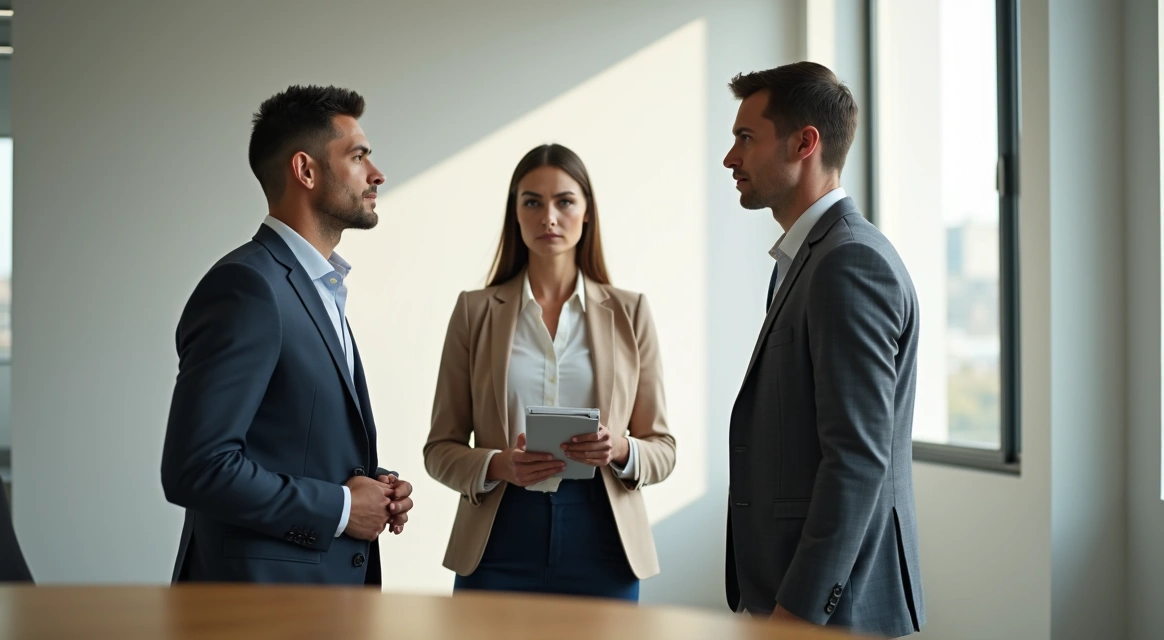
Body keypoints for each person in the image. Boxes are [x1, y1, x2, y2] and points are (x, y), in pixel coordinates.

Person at [160, 85, 413, 585]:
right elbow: (198, 467)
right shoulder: (247, 287)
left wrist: (372, 488)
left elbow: (292, 438)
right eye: (359, 156)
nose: (377, 174)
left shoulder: (320, 286)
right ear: (305, 170)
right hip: (259, 608)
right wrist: (340, 508)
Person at [722, 62, 925, 637]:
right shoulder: (807, 259)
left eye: (745, 138)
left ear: (804, 142)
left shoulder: (848, 262)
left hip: (838, 611)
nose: (730, 159)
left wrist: (800, 612)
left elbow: (858, 459)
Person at [424, 144, 676, 601]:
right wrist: (498, 463)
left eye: (564, 201)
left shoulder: (630, 312)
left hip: (604, 540)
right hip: (498, 539)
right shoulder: (474, 312)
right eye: (532, 202)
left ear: (586, 212)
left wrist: (619, 448)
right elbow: (439, 448)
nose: (548, 217)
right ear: (515, 214)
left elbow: (663, 448)